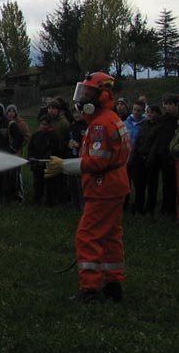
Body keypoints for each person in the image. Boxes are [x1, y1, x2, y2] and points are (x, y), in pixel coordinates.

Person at [45, 72, 131, 303]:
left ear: (100, 97)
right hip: (115, 185)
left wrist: (64, 166)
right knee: (111, 236)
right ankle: (113, 285)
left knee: (88, 236)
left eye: (86, 95)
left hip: (103, 187)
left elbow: (97, 162)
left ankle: (90, 289)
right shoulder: (111, 118)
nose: (81, 101)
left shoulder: (100, 125)